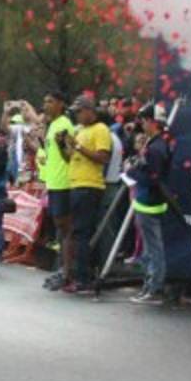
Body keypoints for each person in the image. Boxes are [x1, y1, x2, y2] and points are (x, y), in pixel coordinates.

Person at [59, 95, 112, 295]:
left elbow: (102, 157)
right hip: (75, 184)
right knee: (76, 232)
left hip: (89, 186)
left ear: (91, 110)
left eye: (80, 111)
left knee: (82, 232)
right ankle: (79, 274)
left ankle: (83, 278)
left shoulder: (100, 130)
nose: (77, 116)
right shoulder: (79, 130)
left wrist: (79, 147)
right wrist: (64, 145)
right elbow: (70, 158)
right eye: (75, 112)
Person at [127, 105, 172, 305]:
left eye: (144, 120)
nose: (142, 124)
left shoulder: (156, 148)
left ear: (152, 122)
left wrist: (131, 171)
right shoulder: (156, 144)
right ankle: (151, 286)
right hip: (148, 202)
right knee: (150, 249)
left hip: (149, 203)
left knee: (154, 249)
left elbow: (152, 177)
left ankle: (155, 288)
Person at [38, 91, 76, 291]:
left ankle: (68, 272)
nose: (46, 105)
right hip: (53, 183)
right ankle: (63, 269)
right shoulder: (52, 125)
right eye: (45, 101)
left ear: (61, 104)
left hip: (64, 184)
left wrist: (65, 144)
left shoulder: (63, 124)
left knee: (66, 228)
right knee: (60, 229)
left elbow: (70, 155)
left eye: (50, 101)